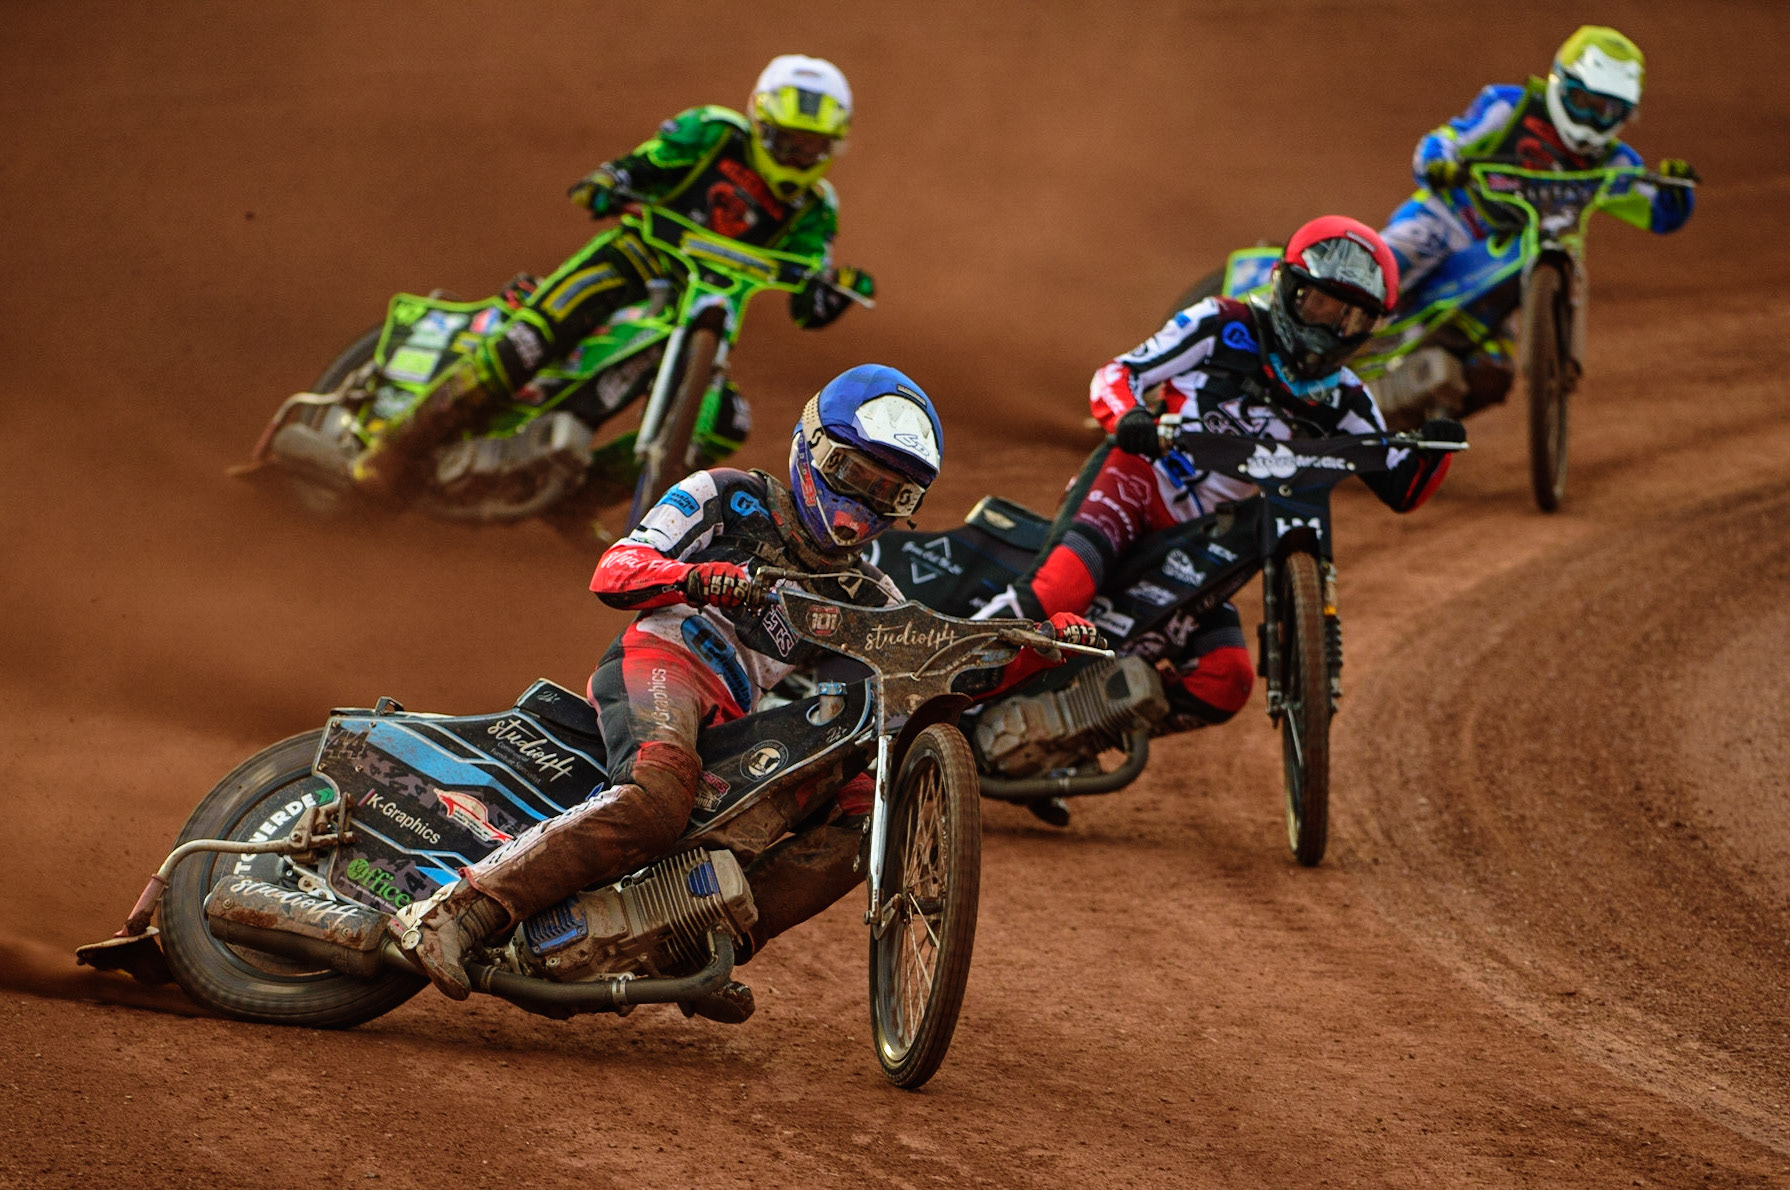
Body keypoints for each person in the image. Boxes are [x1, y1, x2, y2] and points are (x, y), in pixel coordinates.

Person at [392, 365, 1097, 1002]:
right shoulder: (726, 496)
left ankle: (697, 949)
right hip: (662, 662)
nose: (864, 506)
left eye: (892, 492)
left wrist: (1042, 650)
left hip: (735, 718)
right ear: (814, 451)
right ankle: (459, 912)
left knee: (862, 819)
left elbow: (940, 669)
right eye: (856, 475)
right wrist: (696, 577)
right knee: (657, 798)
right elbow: (614, 569)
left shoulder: (866, 591)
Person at [980, 217, 1460, 791]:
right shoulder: (1221, 324)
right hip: (1139, 482)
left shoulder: (1347, 398)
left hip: (1211, 540)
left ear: (1369, 328)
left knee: (1226, 680)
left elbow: (1403, 487)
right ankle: (935, 683)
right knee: (1060, 594)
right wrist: (1130, 415)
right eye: (1320, 305)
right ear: (1287, 288)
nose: (1330, 327)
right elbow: (1118, 373)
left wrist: (1437, 442)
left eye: (1350, 317)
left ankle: (1072, 736)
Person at [352, 54, 878, 499]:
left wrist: (836, 292)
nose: (796, 156)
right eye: (787, 141)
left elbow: (808, 300)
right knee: (534, 339)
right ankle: (398, 445)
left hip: (701, 315)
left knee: (725, 423)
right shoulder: (712, 132)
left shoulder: (815, 209)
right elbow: (647, 163)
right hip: (634, 260)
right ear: (760, 123)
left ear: (831, 147)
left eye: (810, 147)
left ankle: (577, 500)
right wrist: (612, 180)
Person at [1379, 25, 1697, 299]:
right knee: (1381, 268)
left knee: (1491, 370)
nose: (1589, 119)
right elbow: (1446, 140)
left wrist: (1676, 191)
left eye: (1606, 110)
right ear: (1560, 81)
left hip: (1517, 262)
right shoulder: (1509, 107)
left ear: (1626, 113)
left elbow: (1659, 214)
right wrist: (1438, 166)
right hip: (1448, 221)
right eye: (1582, 101)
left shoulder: (1613, 161)